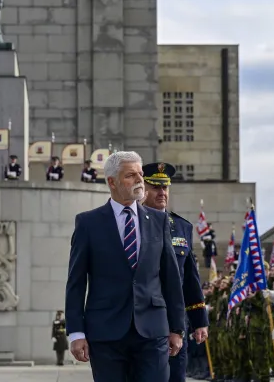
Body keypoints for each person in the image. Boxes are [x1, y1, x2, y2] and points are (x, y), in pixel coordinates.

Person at [64, 150, 187, 381]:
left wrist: (177, 328)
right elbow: (76, 282)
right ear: (112, 181)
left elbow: (171, 279)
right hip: (106, 332)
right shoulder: (88, 223)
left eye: (140, 174)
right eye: (131, 175)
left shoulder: (159, 220)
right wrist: (76, 332)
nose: (140, 179)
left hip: (153, 330)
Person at [140, 162, 210, 382]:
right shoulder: (133, 222)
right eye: (155, 187)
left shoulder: (182, 227)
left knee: (175, 376)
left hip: (174, 320)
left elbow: (189, 277)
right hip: (143, 317)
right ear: (143, 188)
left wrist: (199, 320)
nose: (162, 193)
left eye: (165, 188)